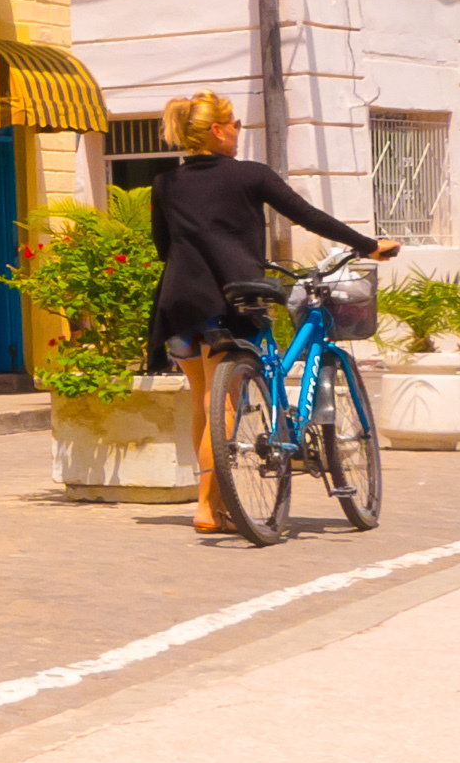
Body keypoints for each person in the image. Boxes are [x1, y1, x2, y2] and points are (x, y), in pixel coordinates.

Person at [145, 92, 398, 535]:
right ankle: (207, 508)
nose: (240, 132)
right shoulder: (250, 176)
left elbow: (163, 246)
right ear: (218, 130)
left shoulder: (165, 183)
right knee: (220, 402)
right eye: (236, 124)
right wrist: (367, 246)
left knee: (202, 401)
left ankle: (211, 500)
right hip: (228, 296)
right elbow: (306, 215)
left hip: (178, 303)